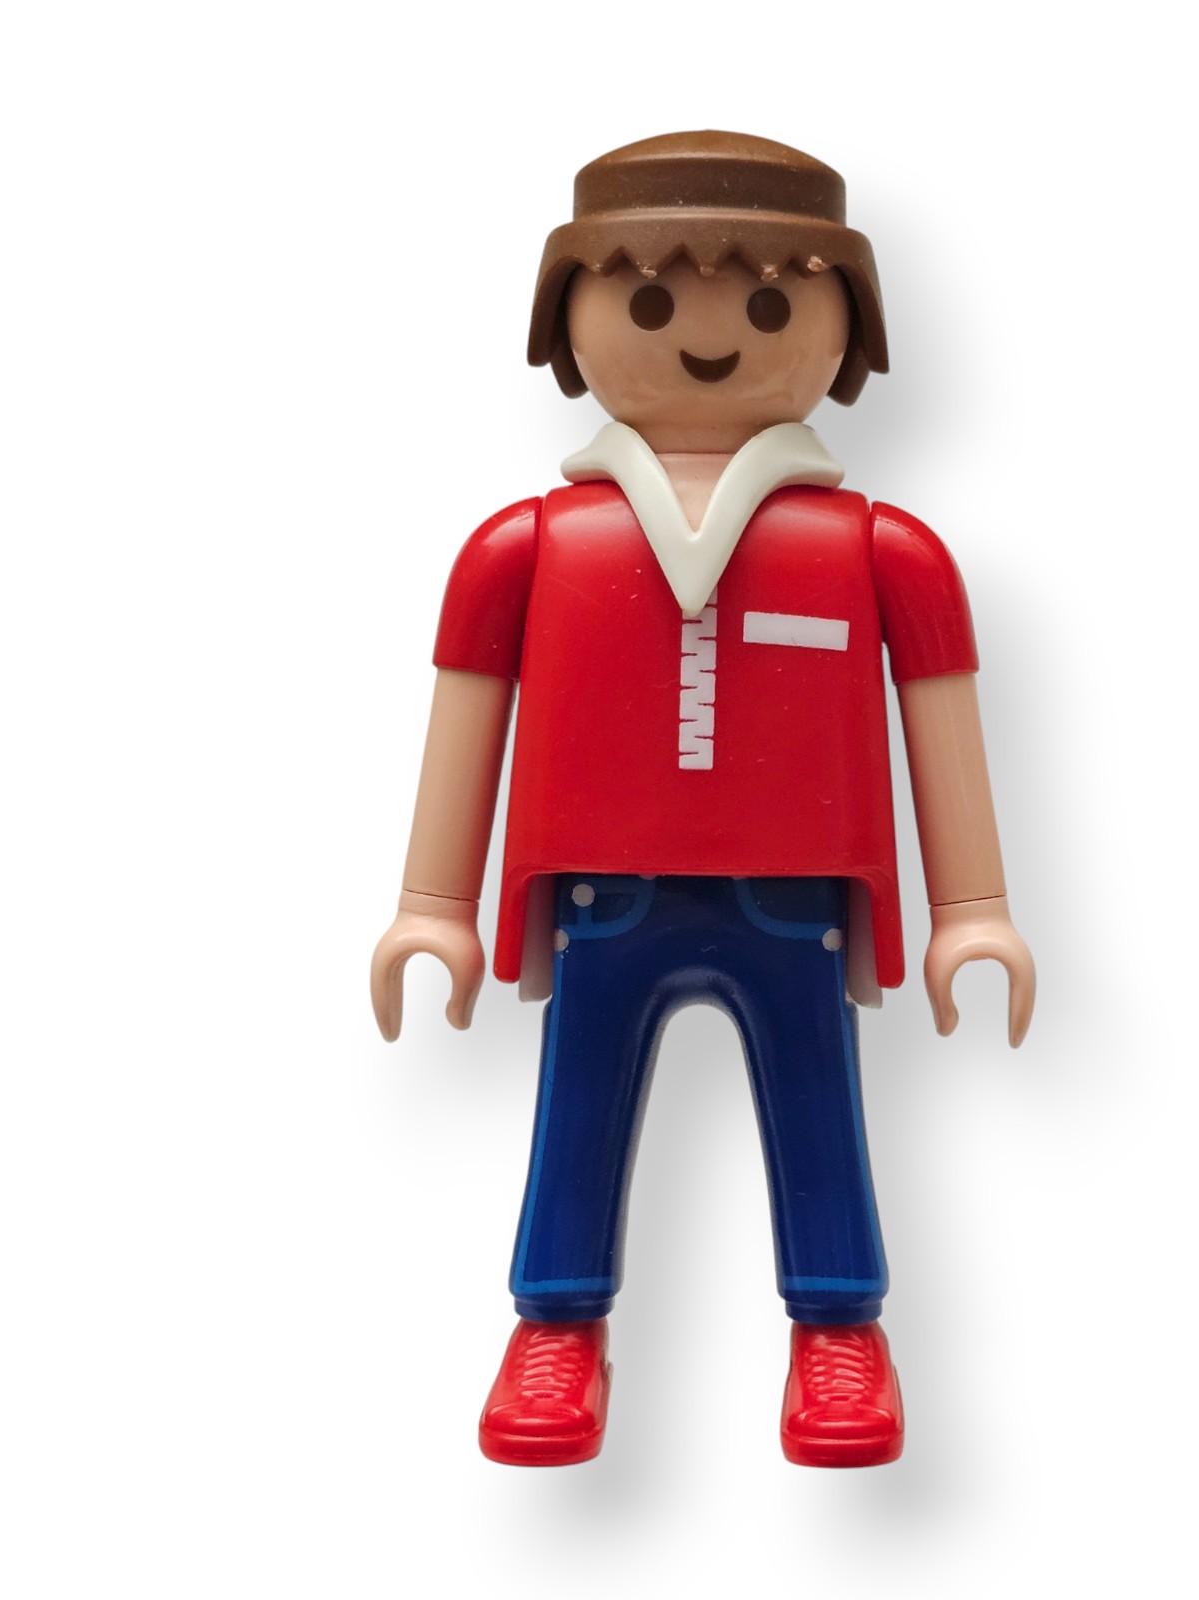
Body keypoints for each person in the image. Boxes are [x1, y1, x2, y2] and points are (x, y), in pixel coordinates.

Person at [370, 130, 1035, 1467]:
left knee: (820, 1103)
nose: (713, 337)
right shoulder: (521, 549)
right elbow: (466, 719)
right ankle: (556, 1326)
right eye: (652, 301)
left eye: (773, 307)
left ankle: (839, 1331)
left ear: (845, 331)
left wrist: (974, 911)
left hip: (796, 904)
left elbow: (941, 722)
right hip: (601, 898)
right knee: (576, 1104)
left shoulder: (886, 553)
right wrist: (431, 905)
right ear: (571, 321)